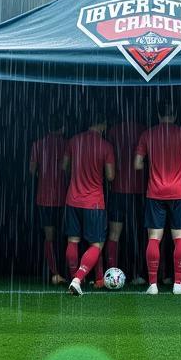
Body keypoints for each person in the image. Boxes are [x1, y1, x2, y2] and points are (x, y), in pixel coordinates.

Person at [134, 98, 181, 296]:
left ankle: (152, 285)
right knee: (180, 237)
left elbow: (137, 164)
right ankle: (177, 284)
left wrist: (154, 166)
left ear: (158, 115)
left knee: (154, 237)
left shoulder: (147, 134)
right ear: (175, 115)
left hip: (155, 192)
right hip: (179, 192)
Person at [63, 112, 115, 296]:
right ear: (102, 125)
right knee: (96, 244)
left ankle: (74, 277)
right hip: (94, 203)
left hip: (72, 199)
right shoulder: (105, 146)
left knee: (73, 240)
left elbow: (65, 167)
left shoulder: (73, 141)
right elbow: (110, 176)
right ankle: (78, 278)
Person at [107, 112, 148, 285]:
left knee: (115, 234)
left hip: (118, 189)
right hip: (137, 190)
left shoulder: (113, 131)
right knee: (136, 234)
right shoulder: (143, 130)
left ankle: (111, 272)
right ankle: (136, 273)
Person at [29, 115, 68, 285]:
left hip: (44, 198)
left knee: (49, 237)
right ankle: (70, 272)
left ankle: (54, 273)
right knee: (69, 237)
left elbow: (32, 170)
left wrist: (43, 175)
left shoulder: (38, 144)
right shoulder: (67, 144)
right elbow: (70, 169)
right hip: (64, 197)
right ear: (62, 127)